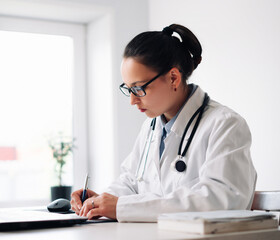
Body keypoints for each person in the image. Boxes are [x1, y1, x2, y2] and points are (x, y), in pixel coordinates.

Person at [70, 24, 257, 222]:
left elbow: (220, 201)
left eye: (139, 88)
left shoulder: (225, 125)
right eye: (128, 89)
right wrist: (99, 201)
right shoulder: (150, 127)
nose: (132, 100)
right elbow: (132, 182)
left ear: (173, 78)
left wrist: (121, 207)